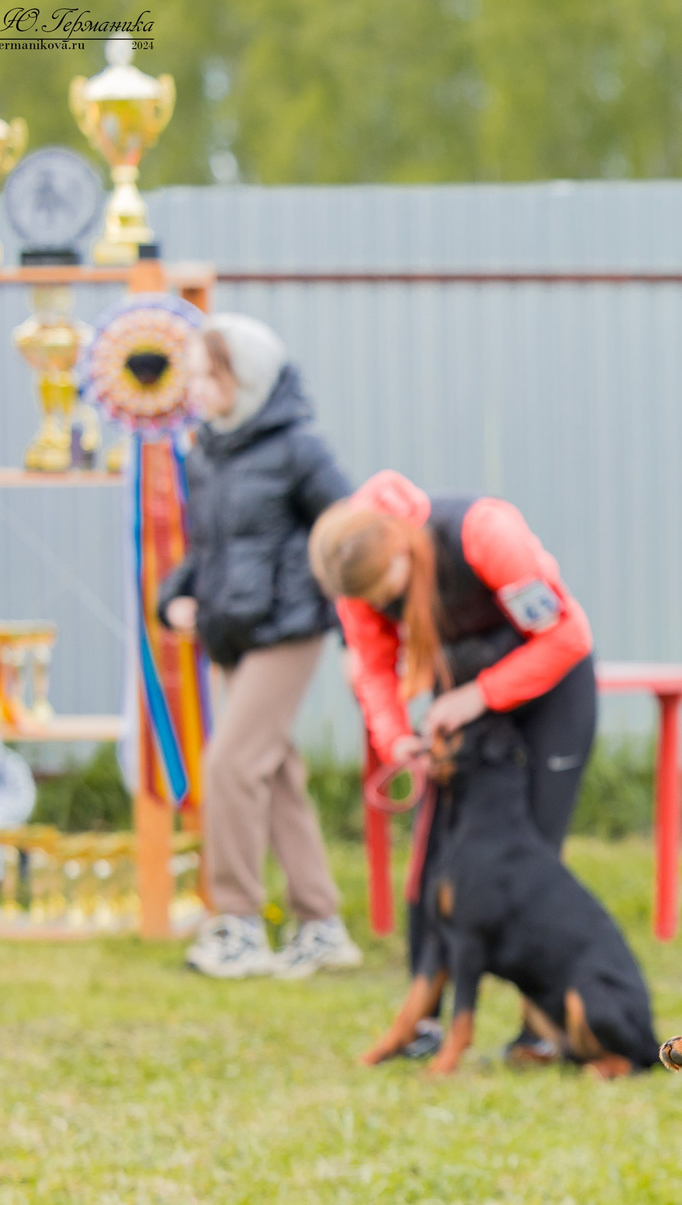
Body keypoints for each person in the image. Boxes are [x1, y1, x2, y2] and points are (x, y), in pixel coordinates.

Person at [306, 469, 597, 1060]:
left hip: (550, 694)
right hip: (462, 708)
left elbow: (566, 636)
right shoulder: (356, 582)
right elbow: (373, 668)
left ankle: (542, 1029)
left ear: (401, 544)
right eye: (369, 603)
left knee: (532, 860)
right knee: (436, 859)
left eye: (388, 591)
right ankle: (424, 1024)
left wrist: (479, 695)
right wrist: (395, 740)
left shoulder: (483, 532)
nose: (383, 607)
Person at [158, 313, 361, 979]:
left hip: (288, 629)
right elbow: (208, 548)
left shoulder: (300, 446)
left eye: (207, 374)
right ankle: (319, 924)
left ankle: (237, 923)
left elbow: (348, 535)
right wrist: (175, 596)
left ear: (244, 378)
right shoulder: (205, 449)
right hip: (228, 633)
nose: (194, 386)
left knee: (231, 765)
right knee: (273, 774)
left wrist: (307, 597)